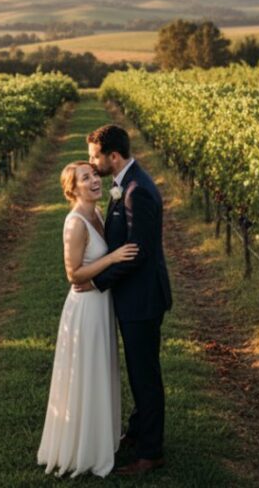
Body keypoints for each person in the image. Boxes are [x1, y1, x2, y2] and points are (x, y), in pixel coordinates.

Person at [37, 161, 139, 478]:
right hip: (85, 308)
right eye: (86, 178)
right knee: (85, 373)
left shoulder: (97, 214)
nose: (95, 180)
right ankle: (82, 449)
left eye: (95, 174)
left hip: (101, 305)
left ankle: (100, 440)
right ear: (72, 189)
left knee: (101, 370)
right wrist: (112, 257)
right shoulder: (76, 223)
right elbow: (73, 274)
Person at [81, 124, 172, 476]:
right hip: (135, 297)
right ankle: (138, 432)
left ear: (113, 156)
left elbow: (137, 253)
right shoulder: (126, 185)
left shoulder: (137, 192)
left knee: (145, 375)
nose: (92, 163)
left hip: (143, 300)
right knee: (138, 369)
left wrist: (97, 280)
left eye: (95, 157)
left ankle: (151, 453)